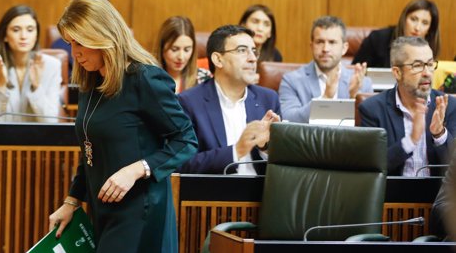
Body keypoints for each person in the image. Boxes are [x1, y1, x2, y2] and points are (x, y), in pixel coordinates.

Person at [47, 0, 197, 253]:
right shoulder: (90, 80)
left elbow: (186, 140)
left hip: (138, 209)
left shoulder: (145, 79)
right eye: (70, 44)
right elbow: (89, 150)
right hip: (104, 209)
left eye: (81, 43)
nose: (75, 53)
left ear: (104, 36)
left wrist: (137, 169)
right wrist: (72, 200)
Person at [178, 25, 280, 175]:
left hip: (263, 194)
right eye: (242, 50)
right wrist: (236, 151)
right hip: (214, 195)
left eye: (254, 51)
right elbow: (182, 164)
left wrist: (265, 148)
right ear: (218, 59)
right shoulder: (189, 103)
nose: (252, 58)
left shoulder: (268, 99)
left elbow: (283, 166)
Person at [359, 36, 456, 176]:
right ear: (397, 73)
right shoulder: (373, 109)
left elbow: (453, 169)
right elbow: (370, 168)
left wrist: (439, 134)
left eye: (429, 64)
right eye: (417, 66)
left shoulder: (449, 106)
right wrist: (411, 140)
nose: (427, 73)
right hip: (393, 196)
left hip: (438, 196)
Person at [279, 16, 373, 123]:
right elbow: (288, 119)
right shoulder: (291, 80)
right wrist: (325, 99)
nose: (325, 49)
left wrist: (353, 98)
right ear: (311, 46)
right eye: (319, 42)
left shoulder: (363, 83)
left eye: (332, 42)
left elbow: (369, 125)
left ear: (344, 48)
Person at [0, 5, 62, 122]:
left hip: (36, 138)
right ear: (5, 36)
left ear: (36, 35)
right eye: (16, 30)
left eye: (30, 30)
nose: (24, 36)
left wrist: (37, 87)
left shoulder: (52, 65)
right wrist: (1, 85)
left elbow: (51, 121)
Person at [352, 0, 440, 68]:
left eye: (425, 23)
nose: (417, 28)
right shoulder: (378, 39)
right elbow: (354, 71)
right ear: (404, 19)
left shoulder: (428, 48)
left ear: (430, 29)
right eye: (413, 19)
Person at [156, 16, 211, 93]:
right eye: (174, 49)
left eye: (187, 50)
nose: (181, 57)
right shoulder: (148, 78)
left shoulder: (204, 79)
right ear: (162, 47)